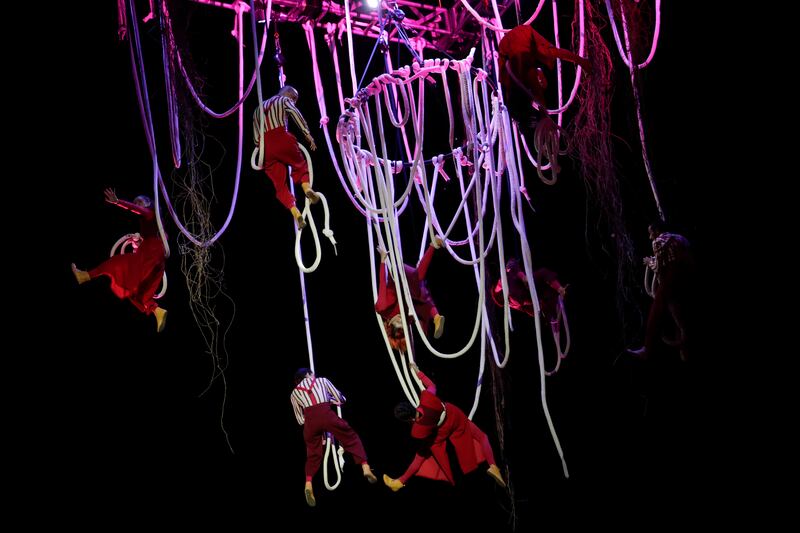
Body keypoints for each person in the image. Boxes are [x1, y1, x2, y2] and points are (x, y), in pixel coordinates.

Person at [383, 363, 506, 491]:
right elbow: (432, 386)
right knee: (482, 437)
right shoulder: (427, 399)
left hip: (441, 431)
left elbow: (423, 433)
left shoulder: (417, 429)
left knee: (420, 456)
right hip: (454, 417)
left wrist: (416, 423)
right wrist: (419, 372)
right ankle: (493, 465)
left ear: (407, 419)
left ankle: (400, 481)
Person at [71, 188, 168, 333]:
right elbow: (157, 238)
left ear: (148, 202)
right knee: (139, 292)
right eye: (135, 202)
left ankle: (86, 276)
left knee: (116, 263)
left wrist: (118, 202)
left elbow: (137, 210)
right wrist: (138, 243)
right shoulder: (154, 222)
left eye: (139, 201)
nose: (136, 204)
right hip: (158, 258)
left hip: (152, 252)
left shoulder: (150, 213)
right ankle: (157, 311)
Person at [290, 368, 377, 507]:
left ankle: (308, 483)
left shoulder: (294, 393)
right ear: (308, 375)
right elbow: (340, 398)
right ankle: (365, 467)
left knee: (313, 454)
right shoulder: (322, 381)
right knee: (350, 437)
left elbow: (300, 420)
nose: (314, 376)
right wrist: (329, 401)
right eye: (312, 374)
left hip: (310, 423)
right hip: (326, 415)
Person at [498, 25, 591, 133]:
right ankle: (582, 62)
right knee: (543, 56)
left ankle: (583, 62)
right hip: (508, 47)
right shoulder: (514, 87)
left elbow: (537, 94)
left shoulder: (525, 80)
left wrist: (544, 116)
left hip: (517, 41)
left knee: (550, 52)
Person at [627, 220, 696, 362]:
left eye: (651, 233)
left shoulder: (658, 242)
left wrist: (649, 262)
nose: (650, 237)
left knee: (656, 310)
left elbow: (658, 268)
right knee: (680, 311)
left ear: (657, 231)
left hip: (672, 278)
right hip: (689, 277)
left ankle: (647, 349)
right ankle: (685, 348)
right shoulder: (680, 238)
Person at [253, 85, 320, 229]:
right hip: (281, 137)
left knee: (279, 184)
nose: (294, 101)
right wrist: (307, 133)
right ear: (288, 93)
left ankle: (295, 212)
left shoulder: (258, 108)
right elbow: (295, 113)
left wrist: (262, 148)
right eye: (294, 98)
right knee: (300, 164)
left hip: (266, 148)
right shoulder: (283, 100)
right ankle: (307, 188)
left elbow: (255, 136)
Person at [375, 238, 446, 352]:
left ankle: (433, 245)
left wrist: (383, 261)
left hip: (398, 274)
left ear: (389, 324)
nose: (400, 319)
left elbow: (382, 283)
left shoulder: (382, 308)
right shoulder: (406, 319)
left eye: (397, 322)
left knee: (416, 280)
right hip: (410, 290)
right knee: (420, 293)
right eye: (402, 323)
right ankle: (436, 317)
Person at [491, 258, 567, 323]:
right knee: (542, 274)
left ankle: (551, 316)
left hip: (521, 297)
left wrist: (536, 313)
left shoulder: (512, 302)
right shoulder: (507, 277)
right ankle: (551, 314)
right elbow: (508, 273)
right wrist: (523, 277)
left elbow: (524, 308)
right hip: (517, 292)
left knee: (543, 297)